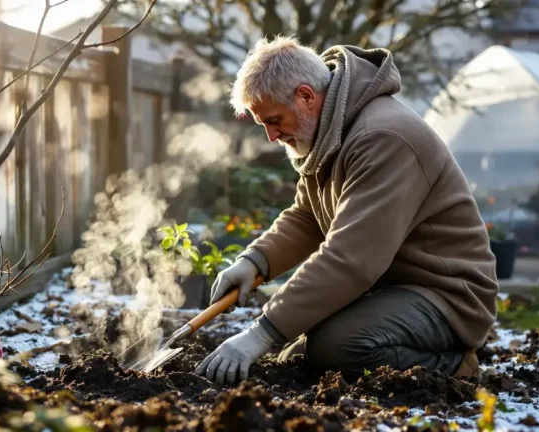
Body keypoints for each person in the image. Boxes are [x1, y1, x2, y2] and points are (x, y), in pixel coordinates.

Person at [195, 37, 498, 385]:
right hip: (393, 288)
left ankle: (455, 365)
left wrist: (260, 333)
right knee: (297, 356)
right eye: (263, 124)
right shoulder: (330, 133)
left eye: (274, 120)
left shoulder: (381, 138)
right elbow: (308, 217)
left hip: (447, 295)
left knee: (336, 346)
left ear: (306, 96)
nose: (271, 136)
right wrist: (254, 262)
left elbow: (352, 258)